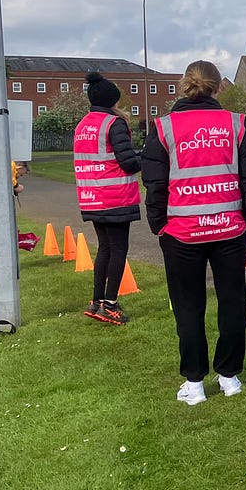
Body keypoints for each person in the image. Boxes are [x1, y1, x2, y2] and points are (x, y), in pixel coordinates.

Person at [143, 60, 246, 406]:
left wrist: (159, 225)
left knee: (188, 307)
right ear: (216, 87)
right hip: (230, 229)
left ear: (184, 84)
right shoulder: (235, 124)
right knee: (232, 302)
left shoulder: (164, 127)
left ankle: (194, 383)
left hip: (181, 233)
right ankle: (229, 377)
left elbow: (154, 183)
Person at [74, 71, 142, 324]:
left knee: (104, 249)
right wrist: (146, 158)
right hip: (115, 196)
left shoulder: (83, 124)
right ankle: (110, 305)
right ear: (113, 100)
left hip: (91, 195)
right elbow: (128, 163)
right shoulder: (114, 124)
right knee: (118, 250)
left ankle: (96, 301)